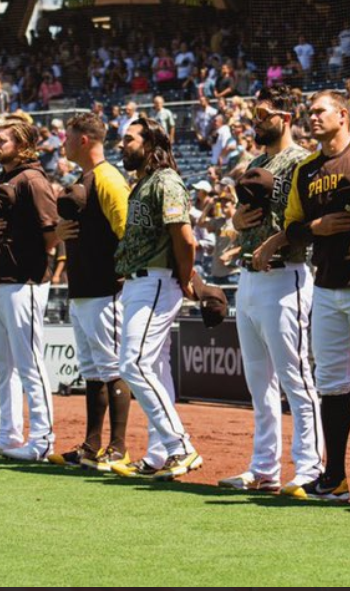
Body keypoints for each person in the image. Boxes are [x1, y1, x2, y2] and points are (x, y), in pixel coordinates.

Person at [253, 90, 350, 503]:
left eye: (320, 111)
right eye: (310, 112)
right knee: (332, 385)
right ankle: (334, 477)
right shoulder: (306, 169)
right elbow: (292, 227)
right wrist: (315, 228)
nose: (313, 117)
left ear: (343, 114)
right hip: (326, 287)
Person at [219, 85, 321, 494]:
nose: (256, 121)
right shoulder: (257, 162)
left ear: (285, 117)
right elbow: (242, 216)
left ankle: (311, 467)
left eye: (263, 114)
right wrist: (235, 223)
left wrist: (276, 240)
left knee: (295, 377)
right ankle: (264, 467)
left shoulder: (304, 162)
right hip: (248, 278)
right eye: (254, 114)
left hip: (285, 274)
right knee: (259, 383)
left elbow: (311, 222)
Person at [109, 117, 203, 481]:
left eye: (130, 139)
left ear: (150, 144)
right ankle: (159, 453)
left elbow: (186, 238)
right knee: (157, 369)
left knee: (133, 364)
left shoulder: (165, 180)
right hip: (140, 282)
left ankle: (180, 446)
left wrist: (186, 277)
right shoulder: (144, 183)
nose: (122, 145)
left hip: (157, 280)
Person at [0, 115, 60, 461]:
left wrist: (27, 251)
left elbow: (51, 234)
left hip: (24, 281)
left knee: (29, 363)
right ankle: (7, 434)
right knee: (1, 365)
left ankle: (43, 439)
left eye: (2, 140)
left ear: (22, 145)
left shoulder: (33, 180)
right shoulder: (0, 180)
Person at [48, 113, 134, 471]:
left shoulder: (108, 178)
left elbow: (128, 232)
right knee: (93, 370)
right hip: (84, 289)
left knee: (112, 367)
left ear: (83, 140)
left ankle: (119, 448)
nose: (63, 144)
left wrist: (122, 277)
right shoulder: (84, 179)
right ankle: (91, 446)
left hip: (105, 288)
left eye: (67, 137)